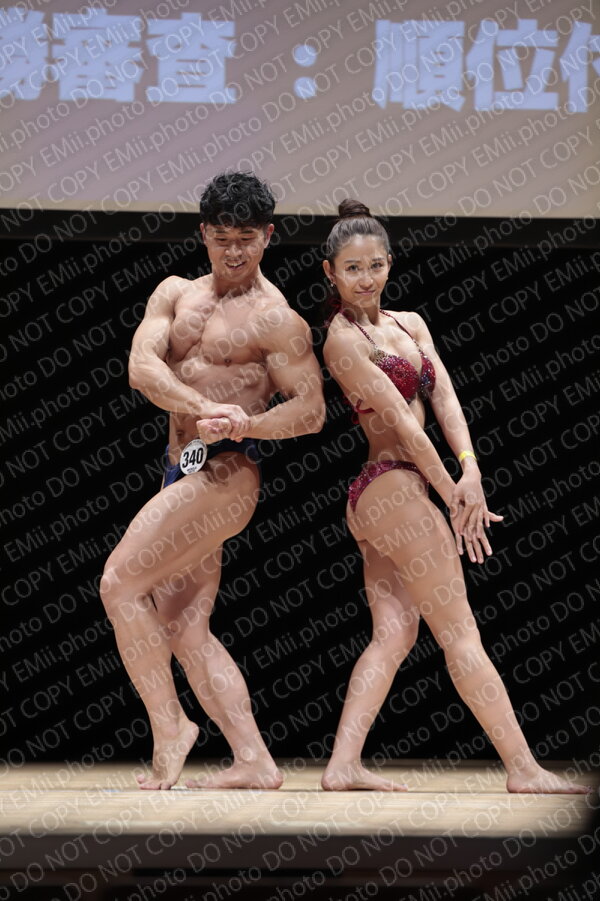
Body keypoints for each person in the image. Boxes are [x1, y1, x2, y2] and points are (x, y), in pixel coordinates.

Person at [320, 199, 588, 793]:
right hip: (392, 486)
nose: (365, 279)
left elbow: (443, 399)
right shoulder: (342, 340)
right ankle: (523, 769)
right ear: (330, 273)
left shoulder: (410, 324)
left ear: (390, 263)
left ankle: (342, 765)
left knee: (394, 635)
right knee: (460, 631)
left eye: (375, 265)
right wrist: (452, 497)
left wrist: (471, 470)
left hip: (396, 491)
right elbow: (402, 422)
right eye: (352, 269)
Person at [100, 172, 325, 790]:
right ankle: (255, 760)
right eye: (222, 238)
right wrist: (201, 407)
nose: (233, 251)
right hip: (180, 467)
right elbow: (141, 367)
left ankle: (171, 725)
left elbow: (311, 411)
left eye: (246, 239)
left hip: (227, 473)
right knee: (184, 628)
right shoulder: (174, 293)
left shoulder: (276, 318)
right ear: (203, 233)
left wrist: (249, 422)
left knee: (119, 584)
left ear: (268, 236)